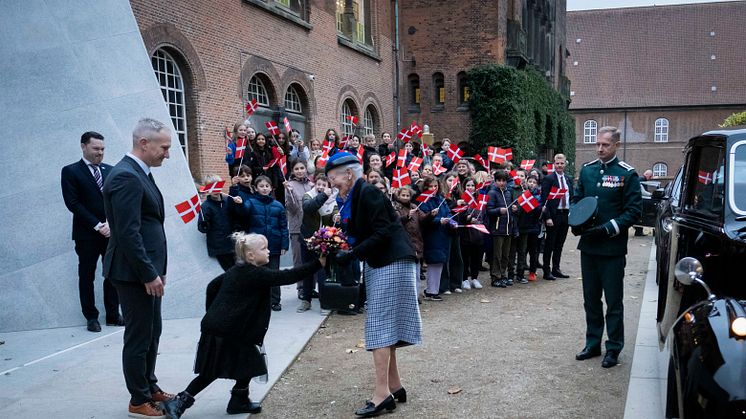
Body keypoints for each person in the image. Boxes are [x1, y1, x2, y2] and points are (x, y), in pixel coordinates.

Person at [162, 233, 326, 418]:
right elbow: (287, 276)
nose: (268, 251)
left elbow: (212, 287)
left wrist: (214, 311)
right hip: (226, 330)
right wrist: (317, 264)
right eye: (264, 248)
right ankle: (178, 402)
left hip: (227, 328)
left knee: (249, 362)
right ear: (250, 256)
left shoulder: (236, 270)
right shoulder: (256, 274)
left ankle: (239, 400)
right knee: (212, 371)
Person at [324, 152, 422, 417]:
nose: (332, 184)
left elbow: (384, 231)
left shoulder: (367, 193)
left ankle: (381, 396)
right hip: (386, 261)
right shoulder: (356, 196)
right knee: (384, 324)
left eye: (334, 178)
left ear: (348, 174)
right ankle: (394, 386)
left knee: (379, 325)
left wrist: (352, 253)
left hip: (391, 261)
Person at [103, 118, 174, 418]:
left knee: (152, 331)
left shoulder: (139, 172)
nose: (167, 154)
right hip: (133, 274)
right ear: (144, 143)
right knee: (139, 335)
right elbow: (128, 233)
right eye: (164, 148)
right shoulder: (126, 177)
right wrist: (148, 273)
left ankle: (149, 385)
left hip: (147, 271)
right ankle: (138, 399)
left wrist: (159, 269)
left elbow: (150, 224)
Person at [573, 126, 642, 369]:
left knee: (613, 301)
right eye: (597, 144)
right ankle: (593, 343)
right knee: (590, 299)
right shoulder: (588, 170)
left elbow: (634, 212)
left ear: (616, 145)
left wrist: (607, 228)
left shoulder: (627, 174)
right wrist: (577, 221)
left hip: (611, 249)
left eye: (605, 145)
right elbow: (577, 199)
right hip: (589, 247)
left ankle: (613, 347)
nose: (600, 148)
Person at [61, 131, 122, 332]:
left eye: (102, 149)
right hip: (86, 234)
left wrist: (111, 224)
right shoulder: (70, 171)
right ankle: (91, 317)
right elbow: (73, 203)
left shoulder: (110, 170)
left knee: (112, 274)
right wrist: (98, 225)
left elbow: (116, 200)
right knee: (87, 275)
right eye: (96, 148)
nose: (100, 153)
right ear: (83, 146)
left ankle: (113, 315)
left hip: (111, 233)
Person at [236, 175, 289, 311]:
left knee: (274, 273)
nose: (264, 189)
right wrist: (239, 202)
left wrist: (284, 244)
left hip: (274, 244)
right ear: (256, 188)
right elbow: (242, 213)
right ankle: (258, 300)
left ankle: (275, 301)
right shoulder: (251, 202)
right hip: (256, 247)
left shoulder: (278, 205)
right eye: (261, 186)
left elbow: (283, 227)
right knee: (257, 273)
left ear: (271, 188)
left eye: (267, 186)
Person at [298, 175, 338, 313]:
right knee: (307, 270)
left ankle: (324, 302)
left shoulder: (333, 199)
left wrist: (335, 216)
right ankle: (306, 300)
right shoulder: (308, 196)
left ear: (329, 186)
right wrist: (323, 196)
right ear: (314, 184)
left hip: (323, 241)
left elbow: (335, 211)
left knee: (322, 271)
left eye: (324, 185)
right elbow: (309, 208)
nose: (321, 187)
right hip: (307, 239)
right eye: (318, 184)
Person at [283, 160, 314, 301]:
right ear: (293, 171)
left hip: (312, 228)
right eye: (297, 168)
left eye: (302, 168)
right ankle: (301, 288)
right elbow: (292, 208)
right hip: (297, 228)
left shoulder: (311, 185)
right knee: (299, 260)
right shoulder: (289, 186)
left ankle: (311, 287)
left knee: (312, 260)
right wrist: (289, 193)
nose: (300, 171)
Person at [419, 176, 453, 300]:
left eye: (435, 186)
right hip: (432, 235)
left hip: (443, 234)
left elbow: (448, 212)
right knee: (434, 262)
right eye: (431, 186)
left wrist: (451, 221)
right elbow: (424, 218)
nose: (433, 188)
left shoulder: (441, 199)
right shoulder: (424, 201)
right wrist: (438, 220)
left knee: (439, 262)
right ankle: (431, 291)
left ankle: (433, 289)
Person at [540, 153, 574, 281]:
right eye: (557, 163)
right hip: (553, 215)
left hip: (565, 214)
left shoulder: (568, 179)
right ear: (554, 164)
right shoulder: (549, 179)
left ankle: (556, 268)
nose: (560, 165)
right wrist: (547, 217)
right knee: (550, 243)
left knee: (560, 243)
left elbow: (572, 196)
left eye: (562, 163)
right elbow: (544, 199)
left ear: (565, 164)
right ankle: (547, 270)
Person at [198, 175, 242, 271]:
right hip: (219, 247)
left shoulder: (227, 201)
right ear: (206, 189)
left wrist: (238, 203)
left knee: (240, 271)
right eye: (211, 187)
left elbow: (236, 213)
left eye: (217, 186)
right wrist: (204, 225)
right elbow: (202, 228)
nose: (214, 189)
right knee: (230, 272)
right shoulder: (206, 206)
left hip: (233, 243)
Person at [487, 171, 517, 288]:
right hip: (497, 228)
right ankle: (495, 277)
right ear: (495, 181)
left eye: (503, 180)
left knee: (506, 254)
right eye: (499, 180)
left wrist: (513, 209)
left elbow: (510, 211)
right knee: (497, 255)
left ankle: (503, 275)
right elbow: (489, 210)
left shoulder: (508, 193)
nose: (501, 183)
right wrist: (499, 211)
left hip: (508, 228)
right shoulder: (492, 193)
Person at [516, 176, 542, 282]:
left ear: (537, 184)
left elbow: (537, 211)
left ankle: (532, 271)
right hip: (523, 225)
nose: (531, 184)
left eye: (534, 182)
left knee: (533, 250)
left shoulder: (539, 196)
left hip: (534, 226)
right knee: (522, 250)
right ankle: (520, 271)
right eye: (530, 182)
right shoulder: (523, 193)